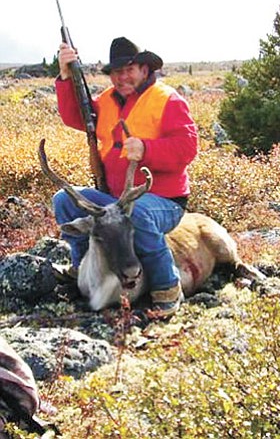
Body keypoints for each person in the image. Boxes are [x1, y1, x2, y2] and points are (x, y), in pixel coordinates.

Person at [53, 36, 198, 318]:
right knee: (64, 201)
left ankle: (167, 289)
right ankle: (81, 267)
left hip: (164, 201)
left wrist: (147, 149)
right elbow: (75, 116)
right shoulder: (107, 100)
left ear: (145, 69)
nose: (122, 77)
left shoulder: (167, 100)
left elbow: (187, 148)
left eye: (129, 69)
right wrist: (64, 74)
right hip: (114, 199)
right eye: (116, 72)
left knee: (137, 213)